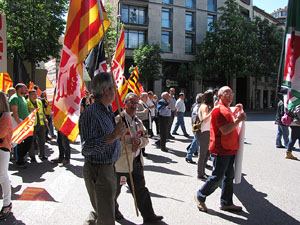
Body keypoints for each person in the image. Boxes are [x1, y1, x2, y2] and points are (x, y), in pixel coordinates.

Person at [79, 72, 127, 225]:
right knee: (106, 217)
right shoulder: (91, 113)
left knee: (103, 211)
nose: (116, 91)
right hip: (98, 170)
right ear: (106, 90)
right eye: (113, 87)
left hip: (108, 168)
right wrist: (112, 136)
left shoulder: (108, 109)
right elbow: (86, 148)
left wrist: (117, 134)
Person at [195, 86, 247, 212]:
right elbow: (225, 129)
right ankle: (200, 196)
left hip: (229, 149)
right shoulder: (218, 110)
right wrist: (239, 119)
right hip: (221, 149)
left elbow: (229, 119)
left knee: (229, 176)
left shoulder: (226, 108)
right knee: (217, 177)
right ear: (219, 96)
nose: (230, 96)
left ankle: (226, 202)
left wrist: (236, 112)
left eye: (231, 93)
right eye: (226, 94)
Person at [114, 93, 163, 223]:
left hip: (136, 162)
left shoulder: (138, 121)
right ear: (124, 104)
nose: (134, 106)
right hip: (122, 165)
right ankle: (113, 210)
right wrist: (131, 145)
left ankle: (149, 216)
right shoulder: (118, 121)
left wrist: (139, 142)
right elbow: (113, 142)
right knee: (115, 190)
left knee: (141, 190)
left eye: (136, 103)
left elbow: (146, 139)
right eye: (131, 103)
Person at [9, 83, 33, 168]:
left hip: (24, 123)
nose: (26, 89)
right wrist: (19, 122)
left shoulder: (22, 98)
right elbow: (14, 112)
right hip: (19, 123)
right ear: (19, 89)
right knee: (20, 142)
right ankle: (20, 161)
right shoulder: (14, 98)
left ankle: (21, 157)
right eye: (24, 88)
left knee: (29, 139)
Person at [0, 91, 13, 220]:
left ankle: (7, 203)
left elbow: (1, 133)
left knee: (3, 176)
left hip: (3, 150)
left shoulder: (6, 116)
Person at [197, 90, 214, 180]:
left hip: (207, 131)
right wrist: (212, 111)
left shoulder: (206, 106)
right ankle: (200, 173)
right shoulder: (204, 106)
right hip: (204, 131)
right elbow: (205, 119)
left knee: (207, 153)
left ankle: (202, 172)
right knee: (203, 154)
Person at [27, 89, 48, 162]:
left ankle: (42, 155)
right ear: (29, 95)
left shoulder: (39, 102)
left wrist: (45, 119)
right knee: (31, 141)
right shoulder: (27, 102)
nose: (35, 96)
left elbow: (42, 111)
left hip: (41, 124)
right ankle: (32, 156)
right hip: (32, 125)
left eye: (36, 94)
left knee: (42, 140)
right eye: (33, 94)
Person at [186, 93, 202, 162]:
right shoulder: (200, 107)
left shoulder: (194, 106)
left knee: (196, 140)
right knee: (196, 141)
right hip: (198, 126)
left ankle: (192, 153)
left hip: (194, 124)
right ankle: (189, 155)